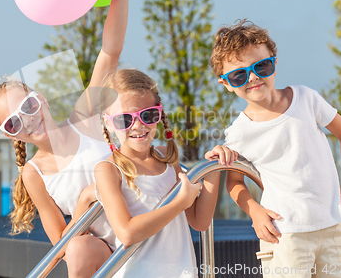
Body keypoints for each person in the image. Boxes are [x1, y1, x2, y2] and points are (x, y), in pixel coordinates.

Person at [0, 0, 129, 278]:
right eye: (14, 122)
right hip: (107, 257)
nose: (27, 119)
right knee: (77, 249)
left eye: (28, 106)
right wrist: (85, 200)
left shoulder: (84, 118)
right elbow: (61, 247)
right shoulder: (33, 173)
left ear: (42, 100)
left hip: (143, 229)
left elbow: (110, 51)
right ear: (10, 134)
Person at [206, 19, 341, 278]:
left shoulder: (306, 98)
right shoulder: (239, 132)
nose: (253, 77)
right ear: (226, 83)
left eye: (261, 66)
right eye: (239, 74)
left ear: (274, 63)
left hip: (332, 226)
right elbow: (234, 182)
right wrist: (254, 211)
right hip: (284, 234)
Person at [95, 69, 236, 278]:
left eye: (147, 115)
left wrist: (212, 171)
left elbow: (199, 221)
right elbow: (127, 233)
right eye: (124, 119)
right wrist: (180, 203)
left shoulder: (166, 156)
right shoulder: (108, 170)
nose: (138, 125)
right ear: (109, 123)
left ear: (159, 113)